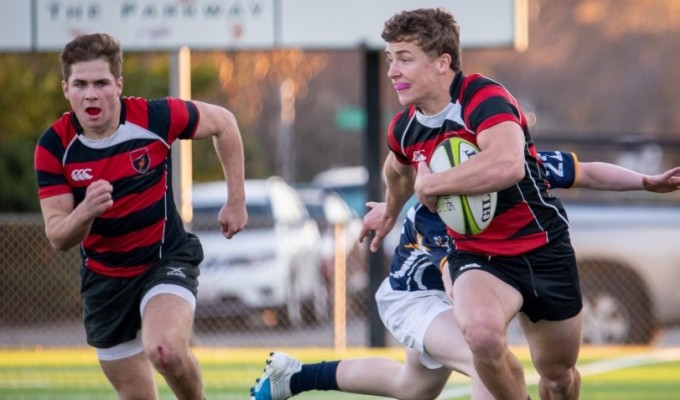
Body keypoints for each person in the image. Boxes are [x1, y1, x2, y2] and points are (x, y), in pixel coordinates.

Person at [250, 150, 680, 400]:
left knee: (413, 387)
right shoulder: (442, 211)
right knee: (486, 362)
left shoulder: (513, 163)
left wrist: (645, 180)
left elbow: (584, 171)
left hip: (461, 292)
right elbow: (461, 291)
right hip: (416, 297)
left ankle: (296, 376)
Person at [33, 33, 247, 400]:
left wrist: (236, 201)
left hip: (165, 259)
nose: (91, 94)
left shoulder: (154, 117)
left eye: (101, 83)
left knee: (166, 350)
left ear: (118, 85)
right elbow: (58, 236)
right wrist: (85, 210)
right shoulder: (54, 147)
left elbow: (224, 123)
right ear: (66, 89)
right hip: (105, 281)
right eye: (81, 85)